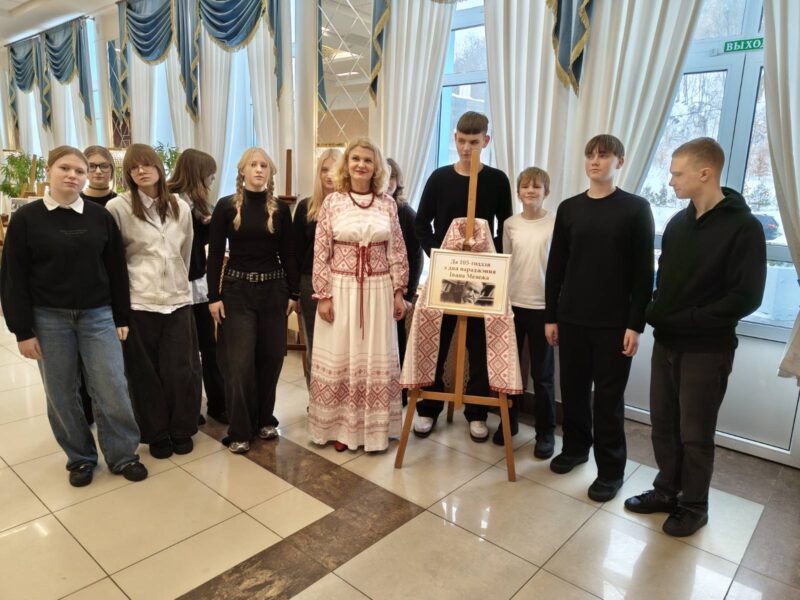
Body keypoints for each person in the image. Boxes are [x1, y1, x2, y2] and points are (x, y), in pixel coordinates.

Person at [624, 138, 766, 536]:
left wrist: (690, 319)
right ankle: (666, 490)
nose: (670, 181)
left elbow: (747, 296)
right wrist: (654, 309)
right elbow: (665, 278)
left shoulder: (744, 228)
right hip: (667, 342)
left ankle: (694, 505)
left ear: (705, 173)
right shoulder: (677, 223)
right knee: (663, 425)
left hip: (707, 348)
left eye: (677, 173)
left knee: (695, 433)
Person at [0, 146, 147, 487]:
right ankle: (80, 457)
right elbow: (13, 278)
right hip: (48, 318)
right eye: (65, 168)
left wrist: (122, 317)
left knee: (112, 386)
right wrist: (22, 331)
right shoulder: (26, 219)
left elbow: (116, 270)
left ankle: (123, 454)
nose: (73, 175)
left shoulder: (100, 217)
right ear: (49, 171)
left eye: (79, 171)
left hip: (98, 315)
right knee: (62, 392)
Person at [544, 134, 655, 502]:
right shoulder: (570, 208)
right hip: (572, 317)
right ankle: (576, 449)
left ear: (619, 162)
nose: (595, 161)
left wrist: (635, 324)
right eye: (590, 155)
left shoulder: (635, 208)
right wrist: (551, 316)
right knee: (574, 391)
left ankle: (610, 470)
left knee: (608, 400)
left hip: (614, 323)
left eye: (604, 156)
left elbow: (644, 273)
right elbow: (556, 266)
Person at [412, 111, 513, 443]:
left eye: (474, 142)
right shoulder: (439, 178)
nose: (467, 148)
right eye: (462, 141)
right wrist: (439, 254)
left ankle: (477, 412)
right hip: (447, 274)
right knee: (438, 340)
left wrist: (492, 264)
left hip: (482, 277)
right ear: (454, 139)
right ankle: (429, 407)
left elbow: (504, 228)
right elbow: (421, 223)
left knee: (479, 345)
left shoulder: (497, 180)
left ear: (486, 141)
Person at [308, 138, 409, 452]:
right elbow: (321, 251)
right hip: (341, 289)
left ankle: (373, 431)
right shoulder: (333, 202)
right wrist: (324, 295)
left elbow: (397, 251)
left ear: (376, 166)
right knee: (342, 356)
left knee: (373, 357)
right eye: (355, 159)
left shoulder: (387, 204)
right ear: (347, 164)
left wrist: (398, 292)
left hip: (378, 291)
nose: (361, 165)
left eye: (367, 160)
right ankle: (341, 428)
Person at [107, 144, 200, 460]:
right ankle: (156, 433)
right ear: (128, 174)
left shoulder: (179, 206)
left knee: (180, 369)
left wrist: (176, 279)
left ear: (159, 168)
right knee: (144, 373)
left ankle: (181, 429)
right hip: (140, 300)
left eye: (146, 164)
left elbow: (184, 251)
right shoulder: (118, 208)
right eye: (133, 168)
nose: (141, 171)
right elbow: (116, 260)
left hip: (177, 300)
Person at [207, 148, 299, 454]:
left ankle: (264, 419)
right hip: (237, 292)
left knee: (271, 358)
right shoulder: (226, 207)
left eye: (264, 166)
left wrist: (294, 293)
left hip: (274, 291)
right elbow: (215, 254)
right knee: (239, 363)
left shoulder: (280, 209)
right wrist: (213, 296)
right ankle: (240, 429)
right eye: (253, 165)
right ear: (242, 170)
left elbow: (289, 253)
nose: (259, 170)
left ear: (270, 172)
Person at [167, 149, 227, 425]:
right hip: (175, 286)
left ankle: (218, 404)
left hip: (198, 283)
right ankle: (188, 408)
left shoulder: (201, 203)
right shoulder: (169, 200)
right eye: (210, 175)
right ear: (197, 173)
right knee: (184, 353)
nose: (212, 180)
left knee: (209, 347)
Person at [499, 166, 556, 456]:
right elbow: (505, 262)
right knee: (510, 369)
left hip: (543, 308)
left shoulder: (555, 223)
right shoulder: (510, 224)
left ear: (547, 192)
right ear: (519, 192)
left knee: (542, 375)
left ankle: (545, 433)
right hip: (512, 305)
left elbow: (559, 268)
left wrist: (555, 312)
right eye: (525, 186)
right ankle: (508, 423)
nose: (530, 191)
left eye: (536, 186)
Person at [293, 149, 342, 385]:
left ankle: (338, 397)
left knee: (340, 345)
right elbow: (295, 253)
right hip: (310, 282)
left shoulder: (349, 207)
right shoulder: (306, 207)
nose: (329, 175)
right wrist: (294, 293)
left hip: (344, 282)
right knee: (315, 343)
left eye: (334, 169)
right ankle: (315, 396)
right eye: (324, 169)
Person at [386, 158, 423, 407]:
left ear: (398, 181)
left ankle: (398, 396)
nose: (388, 182)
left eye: (392, 177)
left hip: (398, 292)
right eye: (384, 176)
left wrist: (408, 295)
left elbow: (416, 257)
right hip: (373, 288)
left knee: (396, 343)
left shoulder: (407, 214)